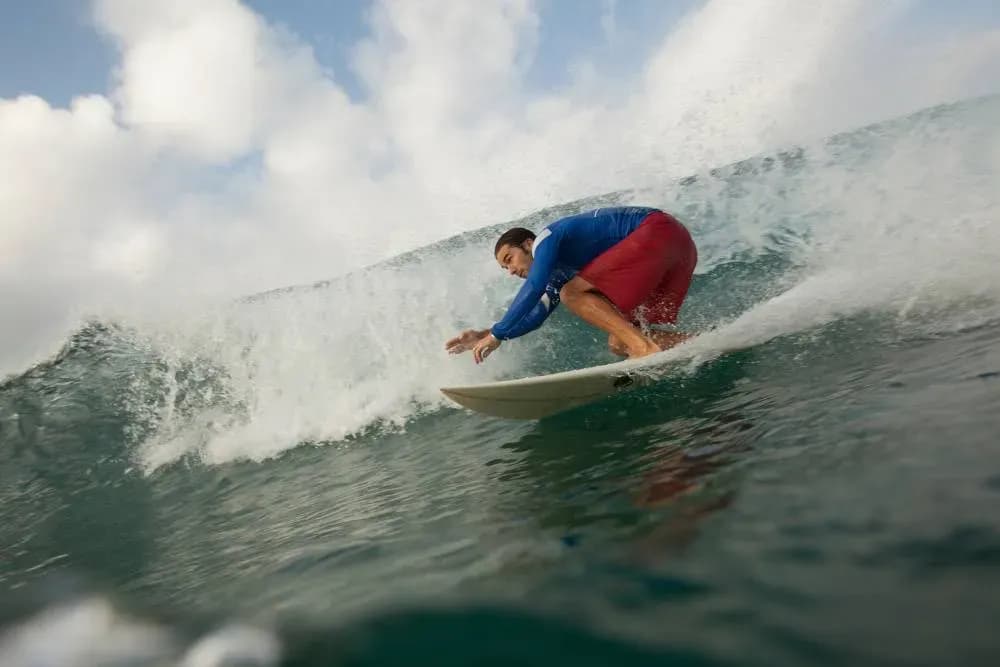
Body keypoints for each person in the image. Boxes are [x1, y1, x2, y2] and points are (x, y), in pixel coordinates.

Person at [446, 206, 698, 364]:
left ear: (527, 244)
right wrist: (489, 333)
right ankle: (698, 343)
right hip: (679, 250)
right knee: (619, 342)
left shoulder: (546, 239)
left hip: (657, 230)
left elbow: (534, 287)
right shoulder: (558, 273)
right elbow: (536, 315)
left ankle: (645, 349)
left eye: (509, 259)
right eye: (505, 268)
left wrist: (498, 334)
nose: (511, 270)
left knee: (572, 294)